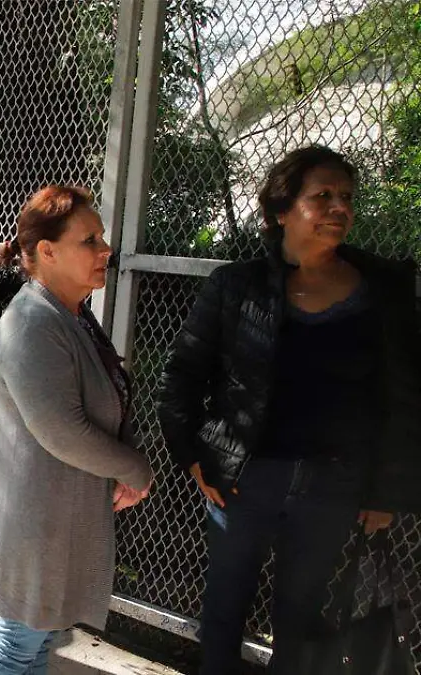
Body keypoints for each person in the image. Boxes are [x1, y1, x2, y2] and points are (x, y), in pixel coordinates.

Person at [157, 146, 421, 674]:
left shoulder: (384, 289)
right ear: (282, 210)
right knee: (225, 610)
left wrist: (387, 490)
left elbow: (404, 398)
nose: (338, 207)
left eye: (345, 197)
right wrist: (194, 459)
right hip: (244, 479)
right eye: (321, 196)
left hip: (334, 485)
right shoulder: (236, 286)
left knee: (300, 621)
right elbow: (181, 379)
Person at [0, 186, 153, 675]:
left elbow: (107, 395)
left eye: (102, 237)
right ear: (47, 252)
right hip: (35, 524)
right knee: (18, 641)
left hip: (53, 518)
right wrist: (133, 466)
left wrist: (125, 457)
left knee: (33, 644)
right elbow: (62, 430)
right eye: (89, 240)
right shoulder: (33, 322)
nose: (105, 250)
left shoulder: (70, 315)